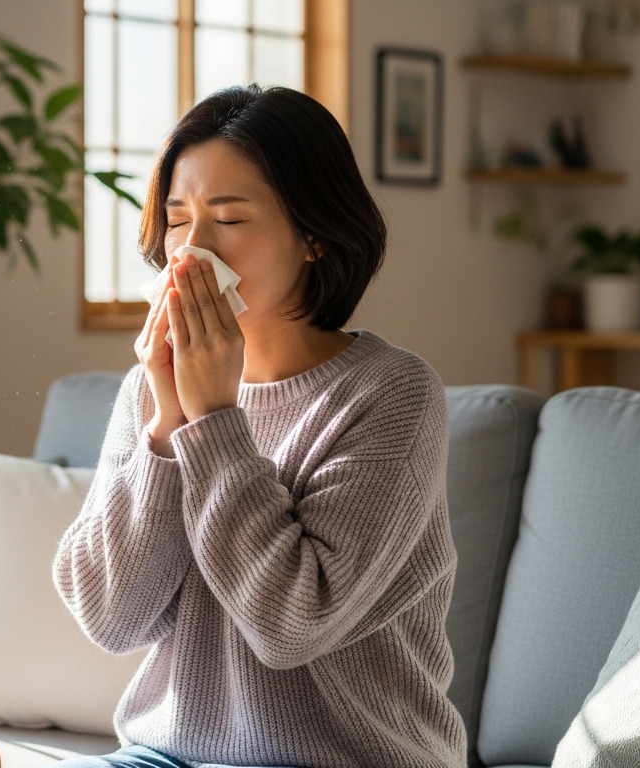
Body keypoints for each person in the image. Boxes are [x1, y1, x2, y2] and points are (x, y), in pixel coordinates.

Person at [52, 85, 467, 768]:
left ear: (314, 236)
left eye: (230, 219)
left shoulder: (392, 393)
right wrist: (166, 425)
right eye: (179, 219)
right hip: (166, 754)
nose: (191, 250)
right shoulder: (149, 390)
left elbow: (291, 625)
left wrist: (214, 420)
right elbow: (110, 618)